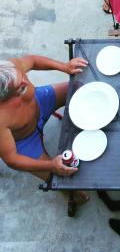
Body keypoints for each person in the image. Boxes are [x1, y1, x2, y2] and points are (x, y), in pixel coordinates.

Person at [0, 54, 88, 203]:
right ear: (5, 99)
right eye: (21, 87)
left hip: (41, 102)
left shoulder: (12, 69)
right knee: (62, 180)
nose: (26, 81)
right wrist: (51, 165)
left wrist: (64, 66)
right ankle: (72, 194)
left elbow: (33, 60)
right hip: (26, 141)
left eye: (22, 75)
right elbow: (12, 159)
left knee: (80, 88)